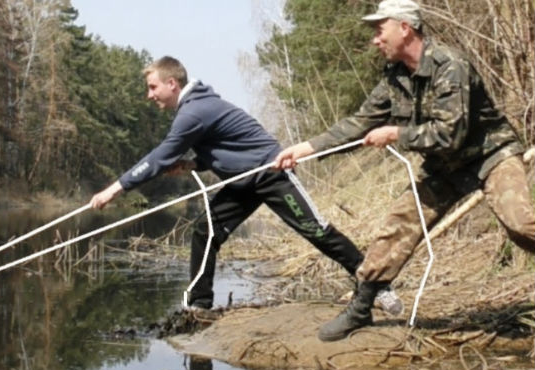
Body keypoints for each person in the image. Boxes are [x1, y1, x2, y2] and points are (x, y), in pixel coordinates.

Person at [274, 0, 535, 342]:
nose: (375, 40)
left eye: (380, 30)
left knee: (520, 224)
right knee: (398, 225)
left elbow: (449, 134)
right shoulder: (395, 78)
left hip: (491, 155)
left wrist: (397, 134)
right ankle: (361, 307)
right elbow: (360, 122)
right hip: (444, 168)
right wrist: (306, 149)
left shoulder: (450, 65)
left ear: (404, 28)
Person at [89, 56, 402, 313]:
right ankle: (200, 305)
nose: (149, 95)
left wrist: (114, 189)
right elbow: (228, 148)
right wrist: (195, 164)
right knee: (205, 231)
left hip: (270, 174)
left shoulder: (193, 112)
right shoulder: (195, 108)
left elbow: (158, 158)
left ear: (172, 84)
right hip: (243, 183)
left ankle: (376, 286)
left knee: (316, 230)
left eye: (153, 87)